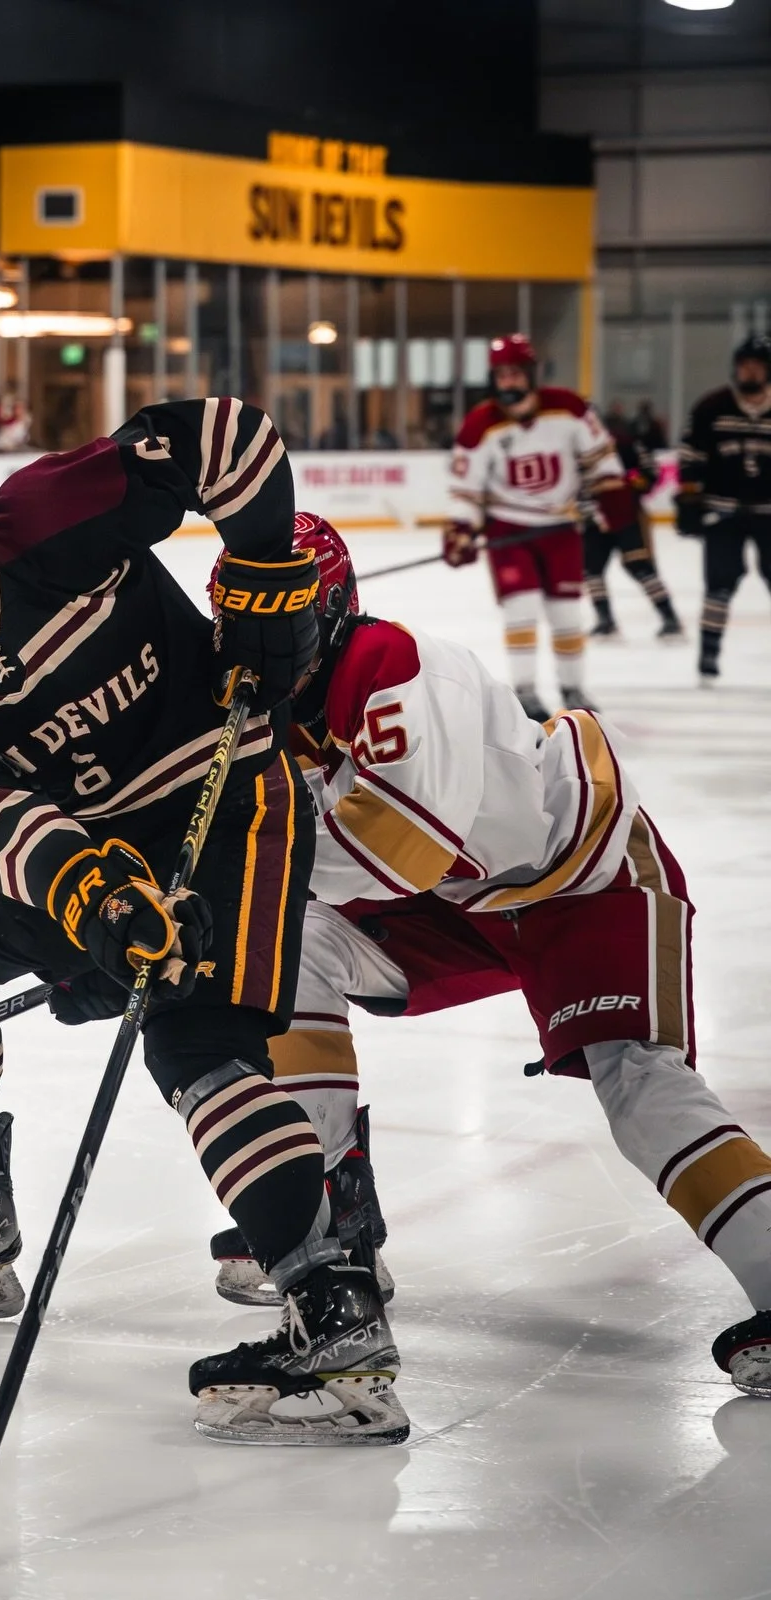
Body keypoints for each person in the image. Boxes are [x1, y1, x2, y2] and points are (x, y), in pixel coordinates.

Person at [0, 405, 407, 1446]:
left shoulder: (48, 516)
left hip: (232, 802)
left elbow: (234, 442)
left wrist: (262, 575)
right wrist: (106, 910)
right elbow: (7, 837)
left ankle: (331, 1304)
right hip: (101, 865)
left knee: (195, 1040)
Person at [205, 514, 771, 1401]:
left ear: (334, 609)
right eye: (241, 622)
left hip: (582, 873)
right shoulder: (262, 710)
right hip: (460, 904)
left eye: (281, 621)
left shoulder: (385, 665)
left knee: (639, 1083)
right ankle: (328, 1230)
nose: (260, 645)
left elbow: (402, 848)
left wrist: (232, 896)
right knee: (298, 947)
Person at [443, 333, 626, 720]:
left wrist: (613, 493)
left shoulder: (569, 409)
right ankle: (525, 691)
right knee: (520, 609)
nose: (508, 382)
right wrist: (462, 529)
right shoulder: (480, 425)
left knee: (567, 614)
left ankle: (573, 686)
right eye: (501, 375)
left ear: (530, 373)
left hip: (560, 527)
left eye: (514, 373)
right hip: (508, 530)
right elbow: (466, 488)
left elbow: (600, 457)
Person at [677, 334, 771, 684]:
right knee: (718, 586)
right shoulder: (711, 407)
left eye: (756, 366)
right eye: (744, 366)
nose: (749, 372)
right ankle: (708, 657)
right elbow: (690, 456)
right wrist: (689, 500)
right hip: (722, 512)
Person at [585, 401, 683, 642]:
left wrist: (629, 488)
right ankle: (605, 621)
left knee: (640, 566)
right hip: (592, 517)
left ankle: (669, 618)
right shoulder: (568, 448)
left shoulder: (622, 441)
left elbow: (649, 471)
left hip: (625, 515)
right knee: (592, 570)